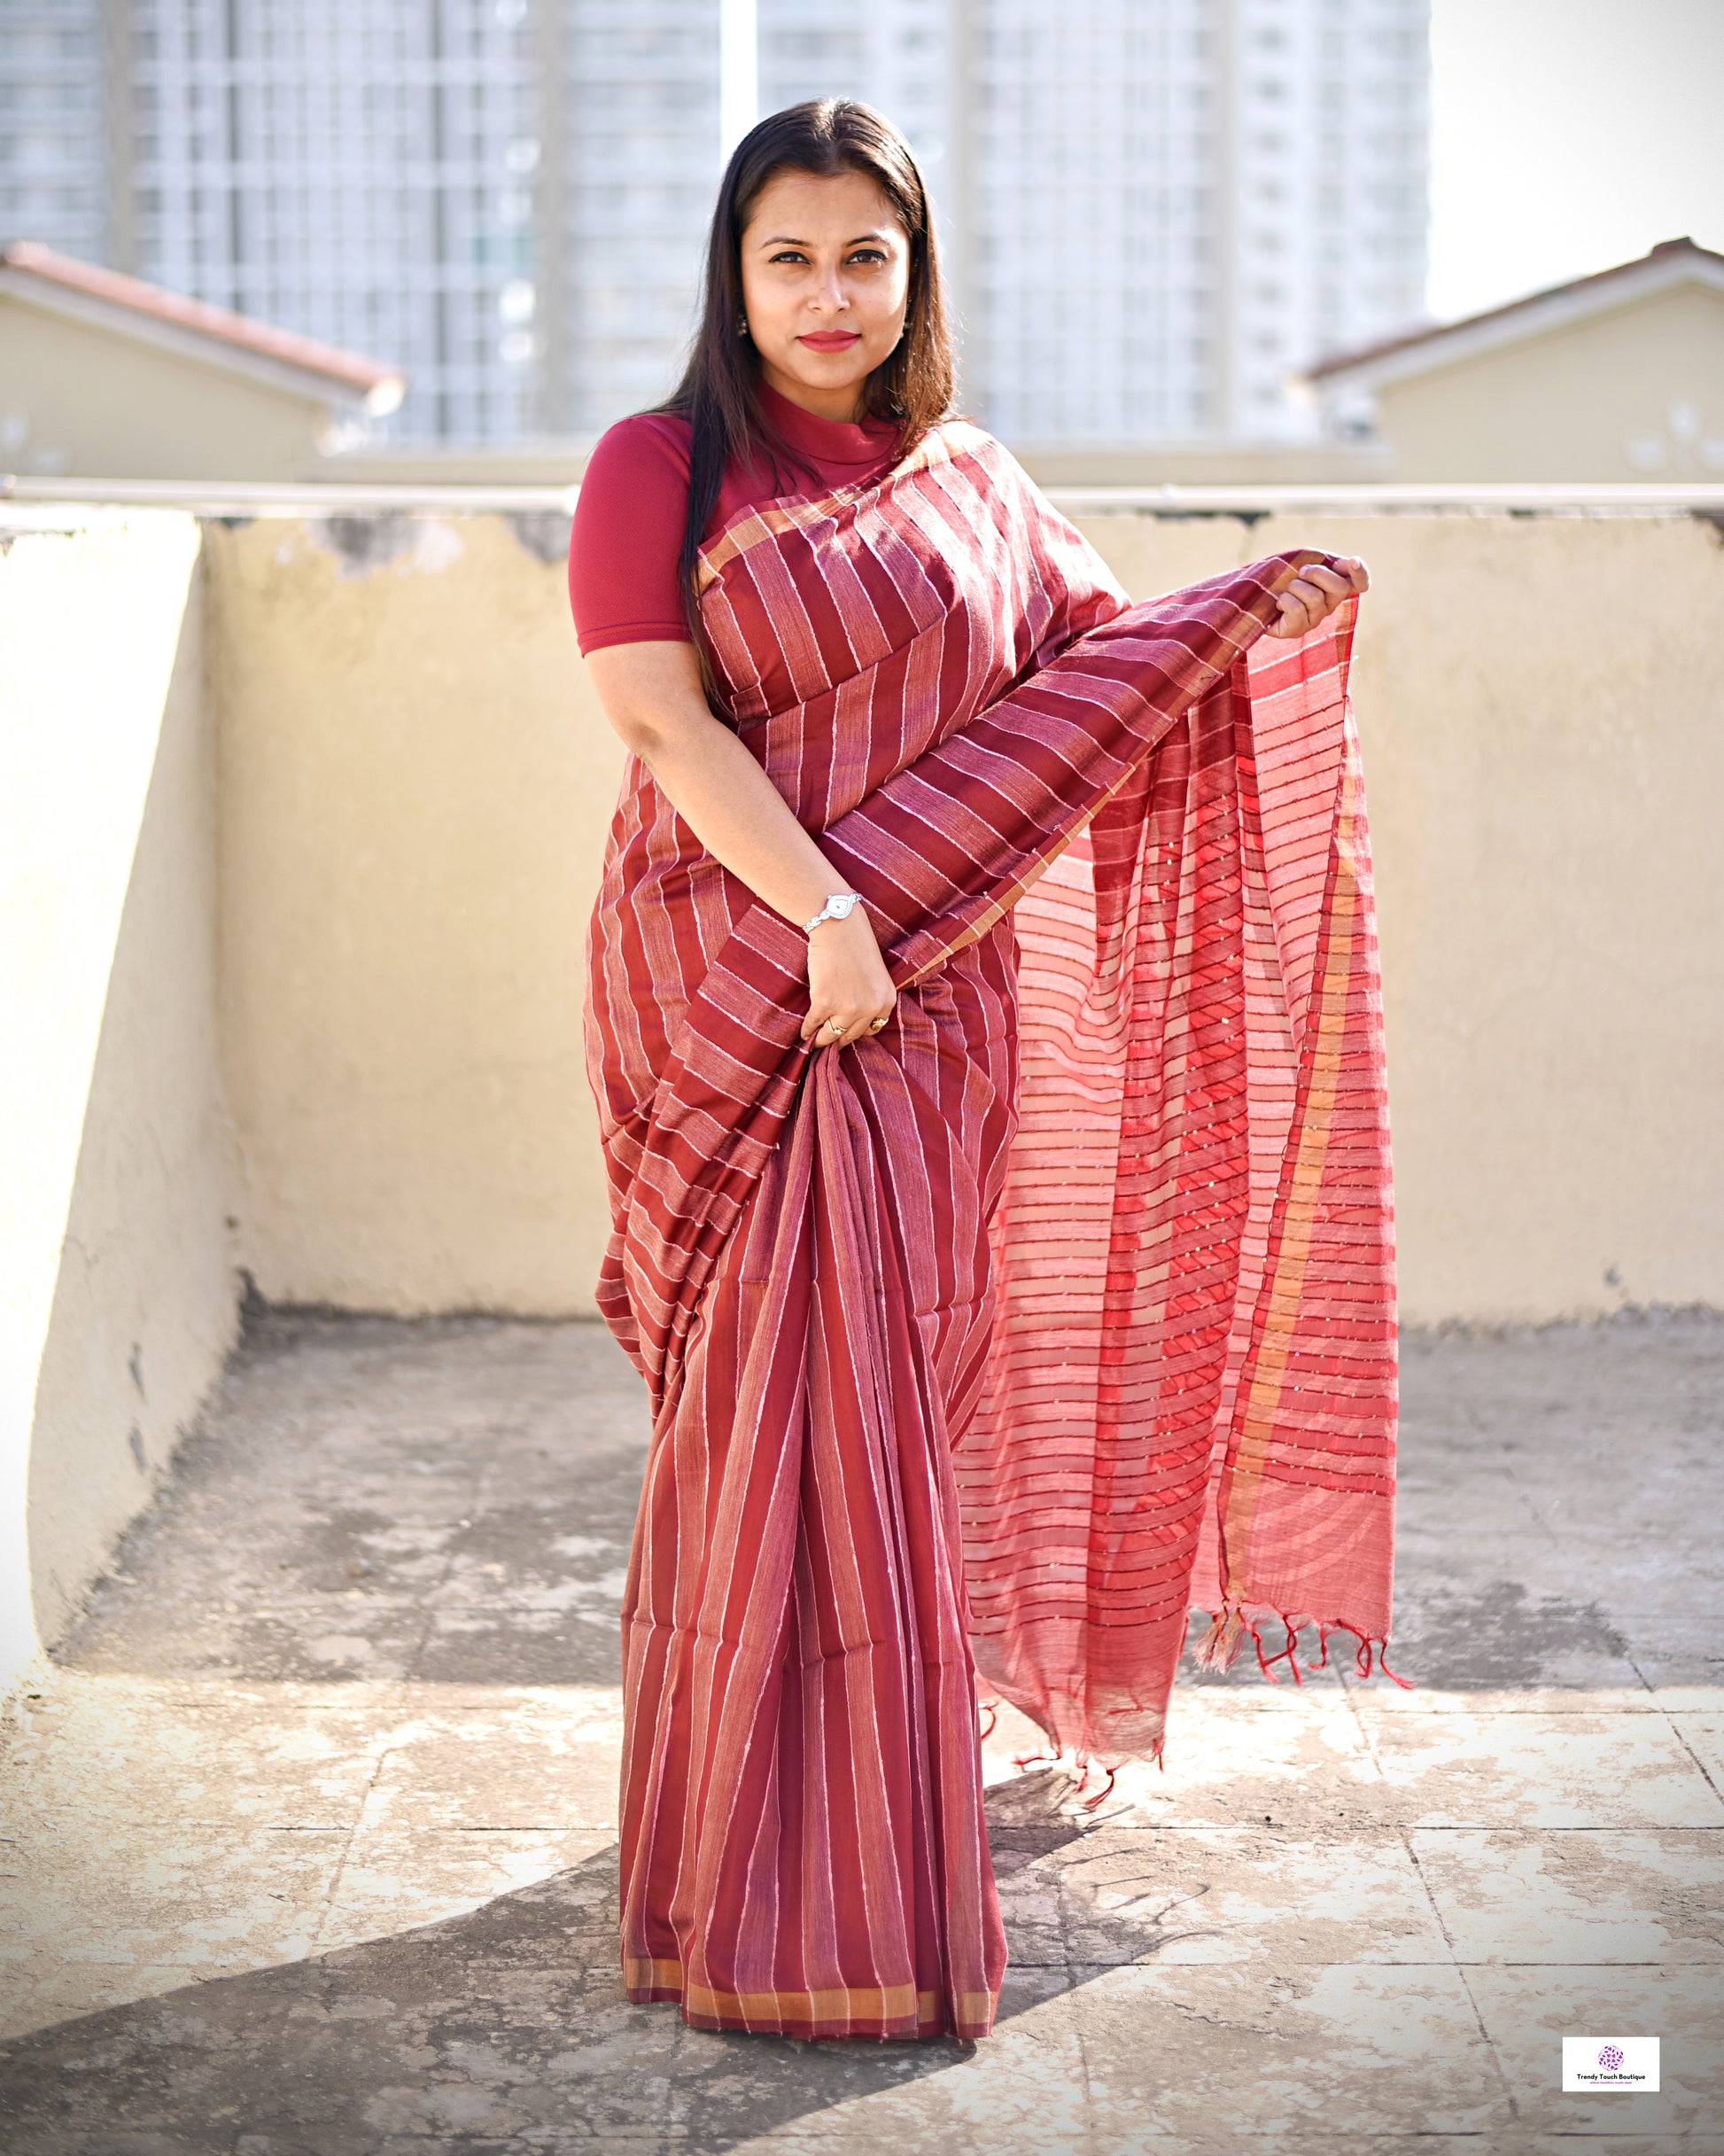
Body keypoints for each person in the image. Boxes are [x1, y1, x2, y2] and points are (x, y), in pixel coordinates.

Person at [568, 99, 1397, 2045]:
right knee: (776, 1418)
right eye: (790, 257)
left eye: (868, 255)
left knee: (875, 1428)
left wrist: (1236, 613)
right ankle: (756, 1878)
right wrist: (829, 918)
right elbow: (661, 724)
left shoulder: (978, 484)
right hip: (741, 980)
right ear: (734, 274)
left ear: (915, 275)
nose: (830, 294)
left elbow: (1092, 691)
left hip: (934, 1015)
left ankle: (831, 1835)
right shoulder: (660, 463)